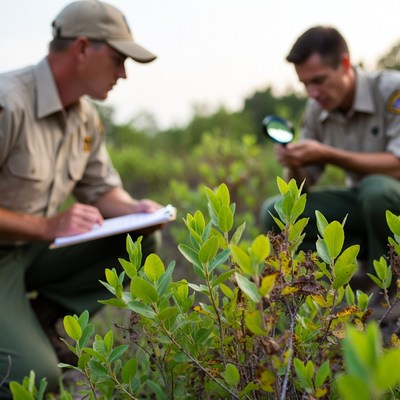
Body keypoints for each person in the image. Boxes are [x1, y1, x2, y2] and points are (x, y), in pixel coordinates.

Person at [0, 1, 164, 397]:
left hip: (31, 252)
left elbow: (101, 189)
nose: (123, 73)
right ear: (83, 48)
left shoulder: (85, 116)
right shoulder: (8, 103)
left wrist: (136, 210)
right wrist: (47, 225)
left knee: (140, 238)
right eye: (117, 58)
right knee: (35, 379)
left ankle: (41, 319)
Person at [261, 26, 400, 286]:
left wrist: (327, 153)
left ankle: (390, 289)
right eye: (304, 84)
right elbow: (302, 188)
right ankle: (331, 288)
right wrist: (295, 163)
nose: (312, 93)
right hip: (364, 205)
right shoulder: (316, 108)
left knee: (376, 190)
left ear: (345, 64)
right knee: (276, 211)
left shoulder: (392, 90)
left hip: (388, 202)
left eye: (319, 80)